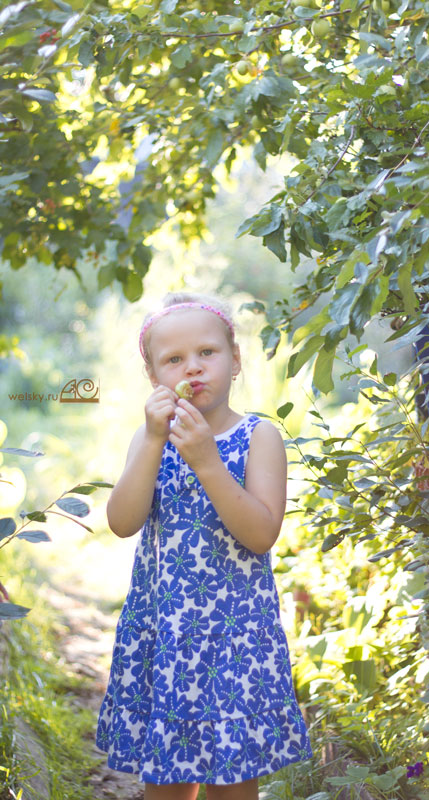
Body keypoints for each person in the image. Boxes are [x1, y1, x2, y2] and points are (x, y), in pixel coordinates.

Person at [96, 291, 313, 800]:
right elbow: (122, 522)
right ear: (154, 376)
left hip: (234, 639)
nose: (192, 368)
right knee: (168, 781)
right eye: (173, 359)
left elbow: (261, 534)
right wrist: (154, 441)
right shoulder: (148, 440)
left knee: (232, 782)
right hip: (168, 635)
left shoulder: (259, 437)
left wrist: (207, 461)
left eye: (207, 353)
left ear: (235, 360)